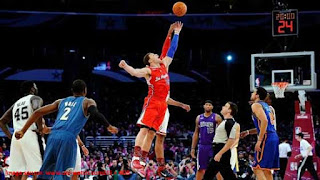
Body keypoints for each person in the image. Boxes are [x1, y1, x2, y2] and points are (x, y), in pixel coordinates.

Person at [15, 79, 118, 180]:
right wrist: (108, 125)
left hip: (52, 137)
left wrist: (23, 130)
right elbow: (95, 113)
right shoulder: (87, 101)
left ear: (72, 90)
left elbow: (37, 112)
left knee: (44, 174)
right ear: (85, 90)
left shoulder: (61, 101)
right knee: (63, 175)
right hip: (68, 139)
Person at [119, 21, 183, 177]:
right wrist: (125, 66)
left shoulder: (164, 65)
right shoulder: (148, 70)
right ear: (150, 60)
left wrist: (176, 34)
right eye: (154, 55)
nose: (157, 55)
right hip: (152, 102)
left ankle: (141, 161)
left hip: (162, 104)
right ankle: (135, 158)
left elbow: (171, 50)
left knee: (152, 134)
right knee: (144, 129)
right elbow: (135, 72)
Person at [0, 81, 45, 180]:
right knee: (40, 169)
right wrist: (40, 129)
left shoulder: (16, 103)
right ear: (32, 89)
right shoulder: (35, 98)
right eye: (35, 86)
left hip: (17, 138)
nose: (36, 88)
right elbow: (38, 110)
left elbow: (2, 121)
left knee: (18, 172)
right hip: (31, 134)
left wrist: (11, 136)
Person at [248, 87, 280, 180]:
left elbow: (264, 121)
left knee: (257, 168)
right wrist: (248, 132)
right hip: (273, 136)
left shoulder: (256, 105)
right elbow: (263, 124)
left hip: (267, 137)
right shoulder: (266, 106)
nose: (252, 94)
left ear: (257, 95)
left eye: (253, 92)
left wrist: (259, 140)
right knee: (266, 170)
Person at [203, 102, 238, 180]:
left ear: (229, 110)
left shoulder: (230, 122)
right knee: (225, 174)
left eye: (225, 106)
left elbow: (231, 140)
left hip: (221, 150)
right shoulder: (225, 121)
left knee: (209, 175)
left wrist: (220, 153)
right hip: (219, 149)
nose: (223, 107)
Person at [190, 100, 222, 180]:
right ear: (204, 106)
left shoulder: (216, 117)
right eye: (206, 105)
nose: (208, 106)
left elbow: (222, 133)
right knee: (200, 168)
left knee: (217, 168)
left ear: (212, 107)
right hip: (202, 146)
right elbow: (196, 133)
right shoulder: (199, 118)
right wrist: (193, 148)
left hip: (213, 146)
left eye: (209, 105)